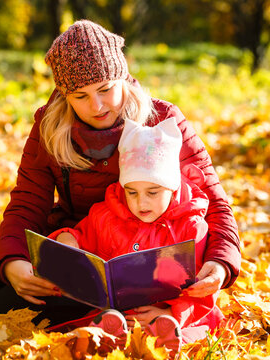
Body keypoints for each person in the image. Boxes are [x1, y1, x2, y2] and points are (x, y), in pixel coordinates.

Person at [0, 19, 240, 328]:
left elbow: (215, 203)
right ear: (64, 94)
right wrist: (13, 261)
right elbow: (27, 202)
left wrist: (220, 263)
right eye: (80, 96)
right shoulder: (50, 125)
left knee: (3, 309)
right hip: (72, 247)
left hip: (140, 265)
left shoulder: (163, 121)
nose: (96, 106)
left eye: (105, 89)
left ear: (122, 78)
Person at [47, 117, 224, 354]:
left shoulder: (190, 227)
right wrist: (67, 238)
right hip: (118, 312)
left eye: (152, 192)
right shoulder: (106, 215)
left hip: (172, 313)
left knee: (191, 330)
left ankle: (167, 334)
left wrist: (172, 313)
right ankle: (106, 334)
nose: (141, 202)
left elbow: (201, 290)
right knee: (94, 325)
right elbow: (81, 239)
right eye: (132, 192)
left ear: (172, 188)